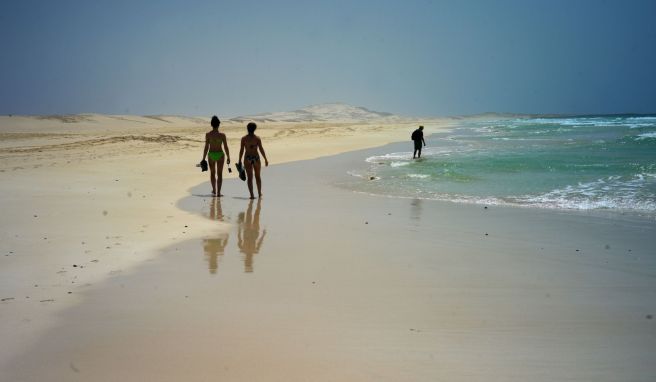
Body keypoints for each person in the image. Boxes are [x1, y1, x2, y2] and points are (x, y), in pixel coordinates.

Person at [238, 122, 269, 199]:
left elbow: (241, 150)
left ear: (247, 129)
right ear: (255, 129)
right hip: (256, 158)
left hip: (247, 158)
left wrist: (239, 160)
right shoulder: (257, 138)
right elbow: (261, 149)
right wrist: (265, 158)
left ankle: (251, 195)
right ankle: (259, 193)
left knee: (250, 177)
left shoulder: (244, 138)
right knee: (258, 176)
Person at [202, 116, 230, 196]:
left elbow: (206, 147)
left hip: (211, 155)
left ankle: (214, 190)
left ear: (211, 124)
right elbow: (225, 147)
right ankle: (218, 192)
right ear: (218, 124)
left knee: (212, 173)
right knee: (220, 174)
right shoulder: (222, 135)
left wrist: (203, 158)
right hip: (220, 154)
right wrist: (228, 157)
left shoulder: (208, 135)